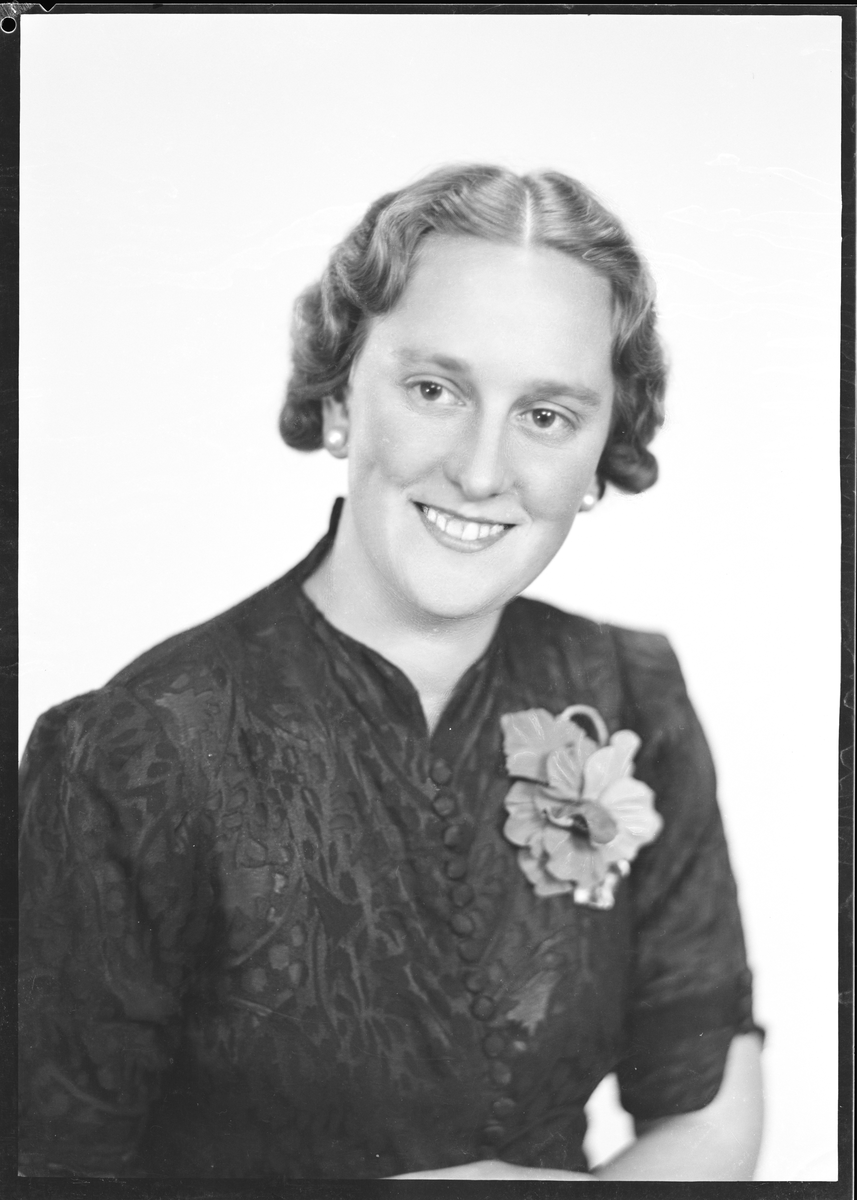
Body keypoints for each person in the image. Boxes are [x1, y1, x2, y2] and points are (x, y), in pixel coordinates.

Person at [18, 164, 764, 1180]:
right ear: (338, 399)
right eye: (433, 390)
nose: (480, 470)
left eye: (546, 415)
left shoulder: (630, 692)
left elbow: (709, 1120)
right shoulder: (132, 753)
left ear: (599, 453)